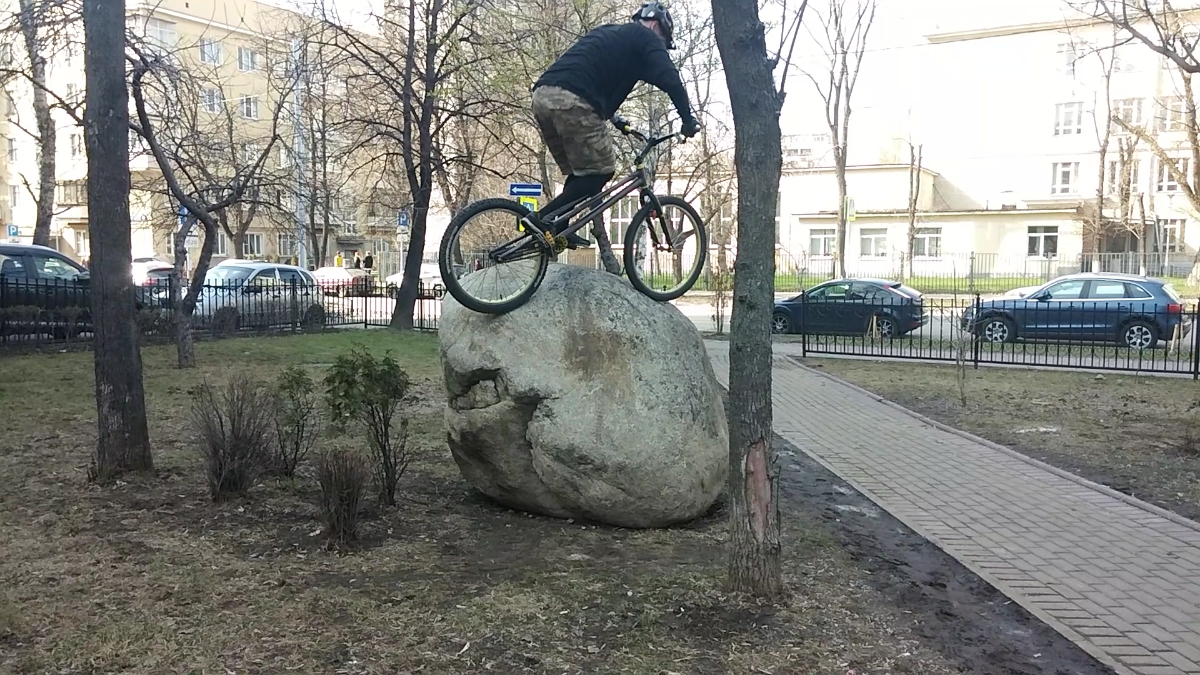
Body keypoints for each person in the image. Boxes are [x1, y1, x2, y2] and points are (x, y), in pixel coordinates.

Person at [528, 1, 701, 249]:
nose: (661, 47)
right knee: (602, 170)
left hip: (543, 97)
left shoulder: (610, 33)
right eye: (663, 42)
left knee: (582, 172)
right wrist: (687, 120)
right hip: (572, 102)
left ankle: (559, 226)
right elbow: (671, 80)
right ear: (656, 25)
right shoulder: (646, 37)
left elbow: (590, 74)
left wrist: (615, 119)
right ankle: (543, 218)